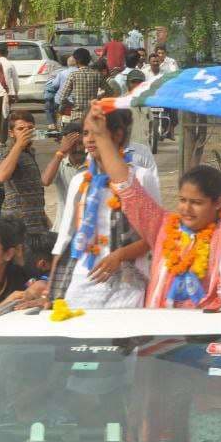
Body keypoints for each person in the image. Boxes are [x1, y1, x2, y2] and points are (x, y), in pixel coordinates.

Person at [89, 107, 221, 309]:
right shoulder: (162, 227)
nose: (186, 209)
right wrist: (102, 138)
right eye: (183, 200)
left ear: (218, 202)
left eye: (196, 203)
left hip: (214, 336)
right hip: (160, 335)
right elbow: (127, 187)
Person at [49, 108, 160, 307]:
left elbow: (154, 236)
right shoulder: (79, 181)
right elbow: (65, 239)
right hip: (83, 278)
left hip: (127, 282)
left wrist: (119, 255)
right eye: (85, 133)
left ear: (117, 135)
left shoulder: (141, 178)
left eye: (97, 132)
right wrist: (50, 291)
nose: (89, 139)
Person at [0, 110, 49, 234]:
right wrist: (19, 145)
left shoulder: (29, 153)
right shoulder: (10, 153)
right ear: (11, 133)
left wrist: (42, 215)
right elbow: (1, 176)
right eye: (21, 129)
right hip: (17, 226)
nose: (26, 132)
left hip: (35, 224)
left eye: (30, 128)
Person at [41, 122, 88, 230]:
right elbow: (45, 180)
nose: (77, 149)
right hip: (64, 229)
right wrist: (60, 152)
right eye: (72, 144)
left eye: (80, 143)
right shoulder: (61, 164)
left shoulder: (94, 165)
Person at [58, 48, 104, 121]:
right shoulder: (97, 74)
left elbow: (62, 97)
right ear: (89, 59)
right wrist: (98, 100)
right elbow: (110, 92)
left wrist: (71, 104)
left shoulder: (73, 75)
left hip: (77, 116)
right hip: (92, 115)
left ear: (76, 61)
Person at [44, 60, 77, 126]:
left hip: (62, 101)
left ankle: (52, 125)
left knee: (48, 106)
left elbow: (55, 85)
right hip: (77, 101)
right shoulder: (81, 72)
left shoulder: (62, 73)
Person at [0, 44, 20, 133]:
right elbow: (15, 81)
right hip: (7, 93)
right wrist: (16, 93)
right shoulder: (10, 64)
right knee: (5, 115)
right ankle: (3, 139)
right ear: (7, 53)